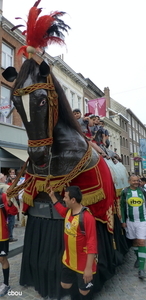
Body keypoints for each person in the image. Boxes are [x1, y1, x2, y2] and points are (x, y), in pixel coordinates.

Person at [48, 185, 97, 300]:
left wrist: (88, 268)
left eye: (65, 197)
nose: (64, 199)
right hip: (68, 261)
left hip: (83, 264)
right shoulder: (69, 212)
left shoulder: (87, 218)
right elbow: (61, 211)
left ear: (73, 200)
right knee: (65, 284)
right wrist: (52, 197)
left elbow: (92, 244)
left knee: (84, 292)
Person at [120, 175, 146, 279]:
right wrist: (122, 221)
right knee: (134, 241)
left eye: (137, 180)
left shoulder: (143, 191)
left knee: (141, 241)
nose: (136, 182)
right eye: (134, 180)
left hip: (142, 221)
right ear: (129, 181)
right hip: (130, 222)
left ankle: (141, 269)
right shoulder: (125, 192)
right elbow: (121, 206)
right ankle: (138, 258)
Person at [0, 189, 18, 296]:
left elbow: (14, 212)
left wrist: (10, 202)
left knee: (2, 259)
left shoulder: (3, 196)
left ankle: (6, 284)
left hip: (2, 234)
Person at [0, 173, 18, 242]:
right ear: (1, 179)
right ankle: (9, 236)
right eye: (4, 177)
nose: (5, 178)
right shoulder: (7, 187)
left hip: (2, 210)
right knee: (10, 223)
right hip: (8, 208)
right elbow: (12, 199)